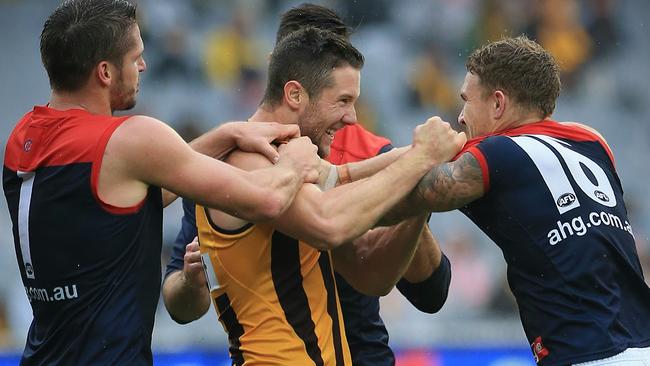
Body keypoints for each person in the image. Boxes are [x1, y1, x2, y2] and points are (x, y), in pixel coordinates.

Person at [2, 1, 322, 365]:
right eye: (135, 55)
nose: (143, 65)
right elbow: (267, 200)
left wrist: (226, 134)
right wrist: (298, 160)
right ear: (105, 72)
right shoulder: (131, 138)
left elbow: (124, 192)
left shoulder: (23, 137)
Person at [162, 4, 453, 365]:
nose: (352, 116)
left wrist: (418, 163)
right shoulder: (248, 161)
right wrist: (417, 165)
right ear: (293, 87)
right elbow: (328, 222)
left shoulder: (301, 154)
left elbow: (400, 283)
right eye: (343, 98)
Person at [384, 35, 650, 365]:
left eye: (466, 100)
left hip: (588, 354)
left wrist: (417, 153)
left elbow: (415, 193)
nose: (462, 116)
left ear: (498, 104)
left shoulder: (496, 152)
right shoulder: (592, 140)